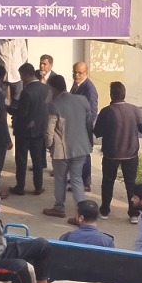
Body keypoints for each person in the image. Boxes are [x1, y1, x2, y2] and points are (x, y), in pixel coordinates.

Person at [43, 74, 94, 220]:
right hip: (81, 147)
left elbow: (49, 130)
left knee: (60, 179)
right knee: (77, 179)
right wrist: (88, 141)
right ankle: (82, 214)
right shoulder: (82, 100)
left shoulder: (54, 104)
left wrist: (49, 146)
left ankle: (59, 207)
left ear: (52, 88)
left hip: (61, 149)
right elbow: (89, 124)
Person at [95, 81, 142, 219]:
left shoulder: (106, 111)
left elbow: (97, 132)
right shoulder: (135, 110)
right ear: (124, 94)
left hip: (111, 154)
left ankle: (105, 210)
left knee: (107, 182)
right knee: (131, 184)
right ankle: (134, 214)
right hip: (131, 154)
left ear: (111, 95)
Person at [11, 63, 50, 196]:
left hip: (24, 131)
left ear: (27, 75)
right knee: (37, 159)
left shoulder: (26, 92)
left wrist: (8, 108)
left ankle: (20, 187)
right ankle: (38, 187)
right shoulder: (46, 89)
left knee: (21, 160)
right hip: (39, 130)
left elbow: (22, 114)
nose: (21, 78)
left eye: (21, 75)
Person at [70, 62, 98, 187]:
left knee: (84, 155)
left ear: (86, 72)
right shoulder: (76, 85)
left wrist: (85, 128)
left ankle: (86, 182)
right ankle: (76, 178)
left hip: (83, 128)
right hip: (74, 126)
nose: (76, 75)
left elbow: (92, 112)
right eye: (75, 72)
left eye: (79, 72)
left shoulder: (89, 88)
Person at [0, 38, 29, 103]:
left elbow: (24, 56)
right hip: (3, 76)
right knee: (1, 98)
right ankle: (3, 112)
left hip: (16, 76)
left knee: (17, 99)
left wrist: (16, 66)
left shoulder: (20, 39)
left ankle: (15, 112)